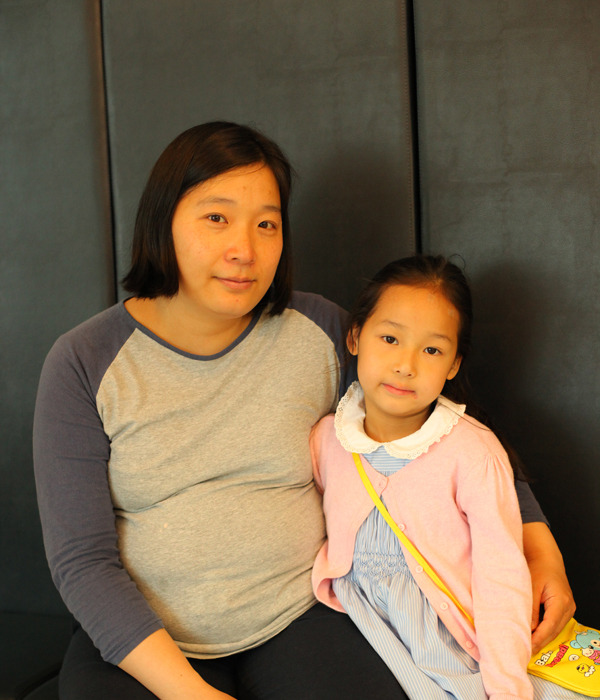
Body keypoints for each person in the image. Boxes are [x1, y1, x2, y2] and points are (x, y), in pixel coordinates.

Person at [33, 123, 573, 699]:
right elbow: (82, 562)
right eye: (216, 218)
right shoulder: (84, 361)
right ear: (162, 221)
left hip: (304, 616)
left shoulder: (319, 330)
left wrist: (541, 548)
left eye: (266, 224)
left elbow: (442, 430)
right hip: (144, 645)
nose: (245, 250)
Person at [310, 255, 583, 699]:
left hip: (454, 638)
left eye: (432, 350)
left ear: (454, 364)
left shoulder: (473, 453)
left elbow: (501, 579)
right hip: (365, 629)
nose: (406, 365)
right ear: (355, 337)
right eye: (390, 338)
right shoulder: (327, 438)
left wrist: (507, 686)